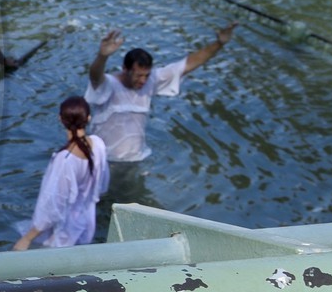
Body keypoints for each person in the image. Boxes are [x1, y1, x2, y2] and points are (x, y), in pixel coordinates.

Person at [84, 24, 237, 163]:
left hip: (137, 158)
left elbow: (189, 64)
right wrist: (102, 56)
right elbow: (95, 75)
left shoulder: (150, 81)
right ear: (125, 69)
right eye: (138, 75)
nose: (143, 81)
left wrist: (219, 44)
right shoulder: (109, 85)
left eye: (146, 75)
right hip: (105, 161)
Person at [12, 97, 110, 250]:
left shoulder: (64, 160)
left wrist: (27, 238)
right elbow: (102, 185)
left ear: (60, 119)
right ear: (89, 118)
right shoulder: (98, 144)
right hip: (87, 225)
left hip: (64, 233)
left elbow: (53, 205)